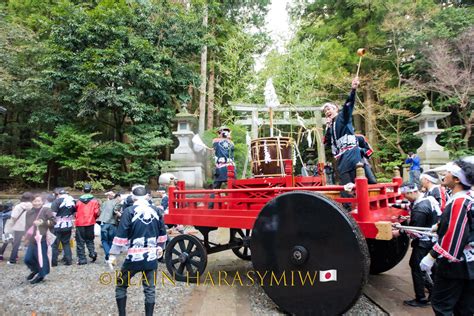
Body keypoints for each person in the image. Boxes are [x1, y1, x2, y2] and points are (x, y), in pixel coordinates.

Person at [419, 157, 474, 315]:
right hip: (470, 262)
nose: (444, 174)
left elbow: (455, 236)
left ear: (456, 179)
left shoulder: (460, 201)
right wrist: (439, 226)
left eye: (448, 172)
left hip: (456, 264)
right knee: (465, 307)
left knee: (442, 304)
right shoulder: (467, 197)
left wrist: (431, 256)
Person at [108, 186, 167, 316]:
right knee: (150, 289)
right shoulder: (156, 210)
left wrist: (113, 255)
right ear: (147, 196)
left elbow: (121, 234)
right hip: (151, 256)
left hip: (134, 256)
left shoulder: (129, 211)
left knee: (121, 285)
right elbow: (163, 232)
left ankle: (122, 314)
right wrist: (160, 247)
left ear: (133, 197)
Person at [393, 183, 439, 307]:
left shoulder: (420, 208)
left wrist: (399, 231)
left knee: (417, 266)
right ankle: (436, 293)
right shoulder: (429, 199)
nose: (405, 198)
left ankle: (421, 298)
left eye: (405, 195)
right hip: (433, 240)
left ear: (411, 192)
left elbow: (415, 232)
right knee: (431, 266)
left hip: (423, 242)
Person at [322, 77, 361, 186]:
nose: (327, 112)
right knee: (346, 178)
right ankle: (350, 200)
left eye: (329, 109)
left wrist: (353, 90)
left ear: (336, 110)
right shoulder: (331, 125)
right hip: (341, 154)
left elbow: (348, 104)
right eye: (325, 111)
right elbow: (326, 142)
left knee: (347, 176)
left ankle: (351, 200)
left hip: (350, 151)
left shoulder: (342, 117)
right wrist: (328, 127)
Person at [23, 195, 56, 284]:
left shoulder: (46, 210)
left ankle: (42, 275)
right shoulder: (29, 212)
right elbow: (27, 226)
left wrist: (42, 222)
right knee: (28, 259)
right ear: (32, 202)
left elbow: (53, 221)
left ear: (42, 202)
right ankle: (35, 269)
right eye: (35, 201)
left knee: (42, 258)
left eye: (39, 201)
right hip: (32, 239)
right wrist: (26, 236)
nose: (37, 203)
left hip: (43, 238)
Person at [1, 192, 34, 264]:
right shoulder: (33, 206)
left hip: (18, 227)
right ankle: (31, 258)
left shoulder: (18, 206)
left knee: (16, 243)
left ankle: (13, 259)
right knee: (31, 242)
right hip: (29, 226)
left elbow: (14, 217)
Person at [75, 184, 100, 265]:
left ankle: (82, 259)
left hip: (80, 223)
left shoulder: (78, 201)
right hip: (90, 222)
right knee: (90, 239)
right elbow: (96, 212)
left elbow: (75, 210)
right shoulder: (95, 201)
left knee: (80, 241)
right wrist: (94, 218)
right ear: (91, 190)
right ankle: (92, 253)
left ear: (83, 190)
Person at [51, 189, 76, 266]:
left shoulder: (57, 201)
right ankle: (69, 261)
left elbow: (53, 215)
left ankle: (54, 262)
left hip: (58, 225)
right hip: (68, 225)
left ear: (59, 194)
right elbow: (74, 213)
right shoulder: (73, 201)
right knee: (66, 243)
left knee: (55, 244)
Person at [98, 191, 120, 262]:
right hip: (112, 224)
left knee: (104, 240)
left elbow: (100, 211)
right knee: (111, 240)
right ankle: (110, 256)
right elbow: (115, 211)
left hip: (103, 223)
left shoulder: (104, 203)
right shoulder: (117, 203)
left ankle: (107, 255)